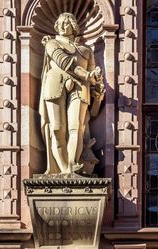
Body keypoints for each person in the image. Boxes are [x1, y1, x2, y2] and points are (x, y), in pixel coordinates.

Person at [39, 13, 103, 174]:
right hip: (55, 85)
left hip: (80, 87)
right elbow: (64, 61)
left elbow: (92, 76)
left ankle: (73, 165)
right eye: (59, 23)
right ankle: (62, 170)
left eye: (66, 23)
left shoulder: (86, 51)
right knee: (56, 129)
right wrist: (88, 75)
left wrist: (96, 80)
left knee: (77, 128)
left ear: (74, 26)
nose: (61, 26)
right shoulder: (51, 44)